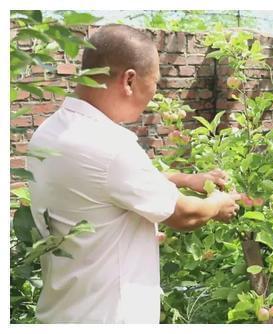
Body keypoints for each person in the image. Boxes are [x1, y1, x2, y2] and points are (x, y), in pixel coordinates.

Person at [26, 24, 241, 323]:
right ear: (129, 80)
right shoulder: (111, 146)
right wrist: (219, 203)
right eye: (154, 83)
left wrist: (185, 179)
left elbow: (99, 185)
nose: (153, 94)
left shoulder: (50, 132)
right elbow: (185, 215)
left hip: (64, 312)